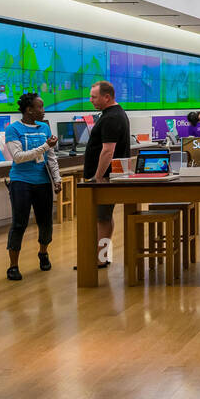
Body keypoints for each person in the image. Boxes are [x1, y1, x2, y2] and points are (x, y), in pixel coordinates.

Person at [3, 92, 61, 281]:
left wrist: (57, 178)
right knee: (19, 223)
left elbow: (51, 157)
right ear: (29, 110)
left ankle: (43, 253)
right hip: (21, 181)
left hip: (42, 182)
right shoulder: (13, 129)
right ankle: (13, 266)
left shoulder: (44, 127)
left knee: (45, 222)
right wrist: (45, 146)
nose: (43, 111)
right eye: (40, 107)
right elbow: (18, 157)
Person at [80, 80, 129, 269]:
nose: (91, 100)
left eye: (94, 97)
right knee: (105, 217)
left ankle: (100, 258)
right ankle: (102, 256)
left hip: (105, 177)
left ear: (106, 97)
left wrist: (97, 177)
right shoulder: (113, 114)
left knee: (102, 219)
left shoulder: (111, 118)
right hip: (109, 176)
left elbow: (108, 150)